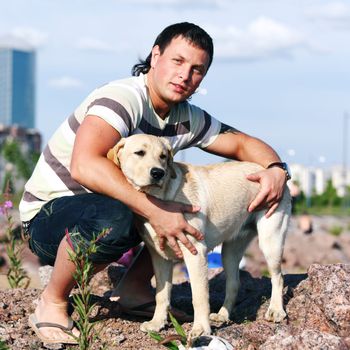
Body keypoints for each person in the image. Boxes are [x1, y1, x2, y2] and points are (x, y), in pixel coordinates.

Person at [20, 22, 290, 344]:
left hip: (109, 209)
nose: (185, 75)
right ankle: (52, 302)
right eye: (178, 61)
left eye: (197, 69)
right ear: (155, 55)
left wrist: (275, 168)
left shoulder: (185, 117)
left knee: (170, 202)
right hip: (49, 217)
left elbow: (243, 144)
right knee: (127, 213)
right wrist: (159, 212)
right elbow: (84, 166)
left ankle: (134, 289)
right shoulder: (122, 99)